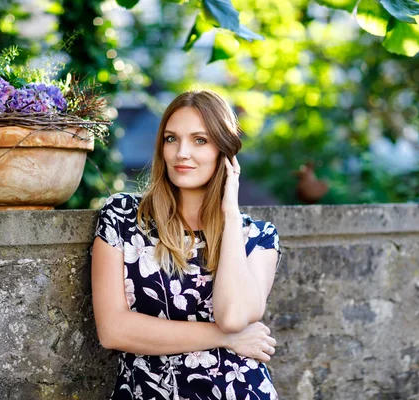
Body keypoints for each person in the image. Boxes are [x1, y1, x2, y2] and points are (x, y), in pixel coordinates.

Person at [91, 90, 281, 400]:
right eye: (171, 139)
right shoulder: (123, 216)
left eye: (200, 140)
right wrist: (226, 339)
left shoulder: (258, 237)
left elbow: (233, 317)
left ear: (225, 151)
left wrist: (230, 216)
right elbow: (114, 330)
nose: (181, 153)